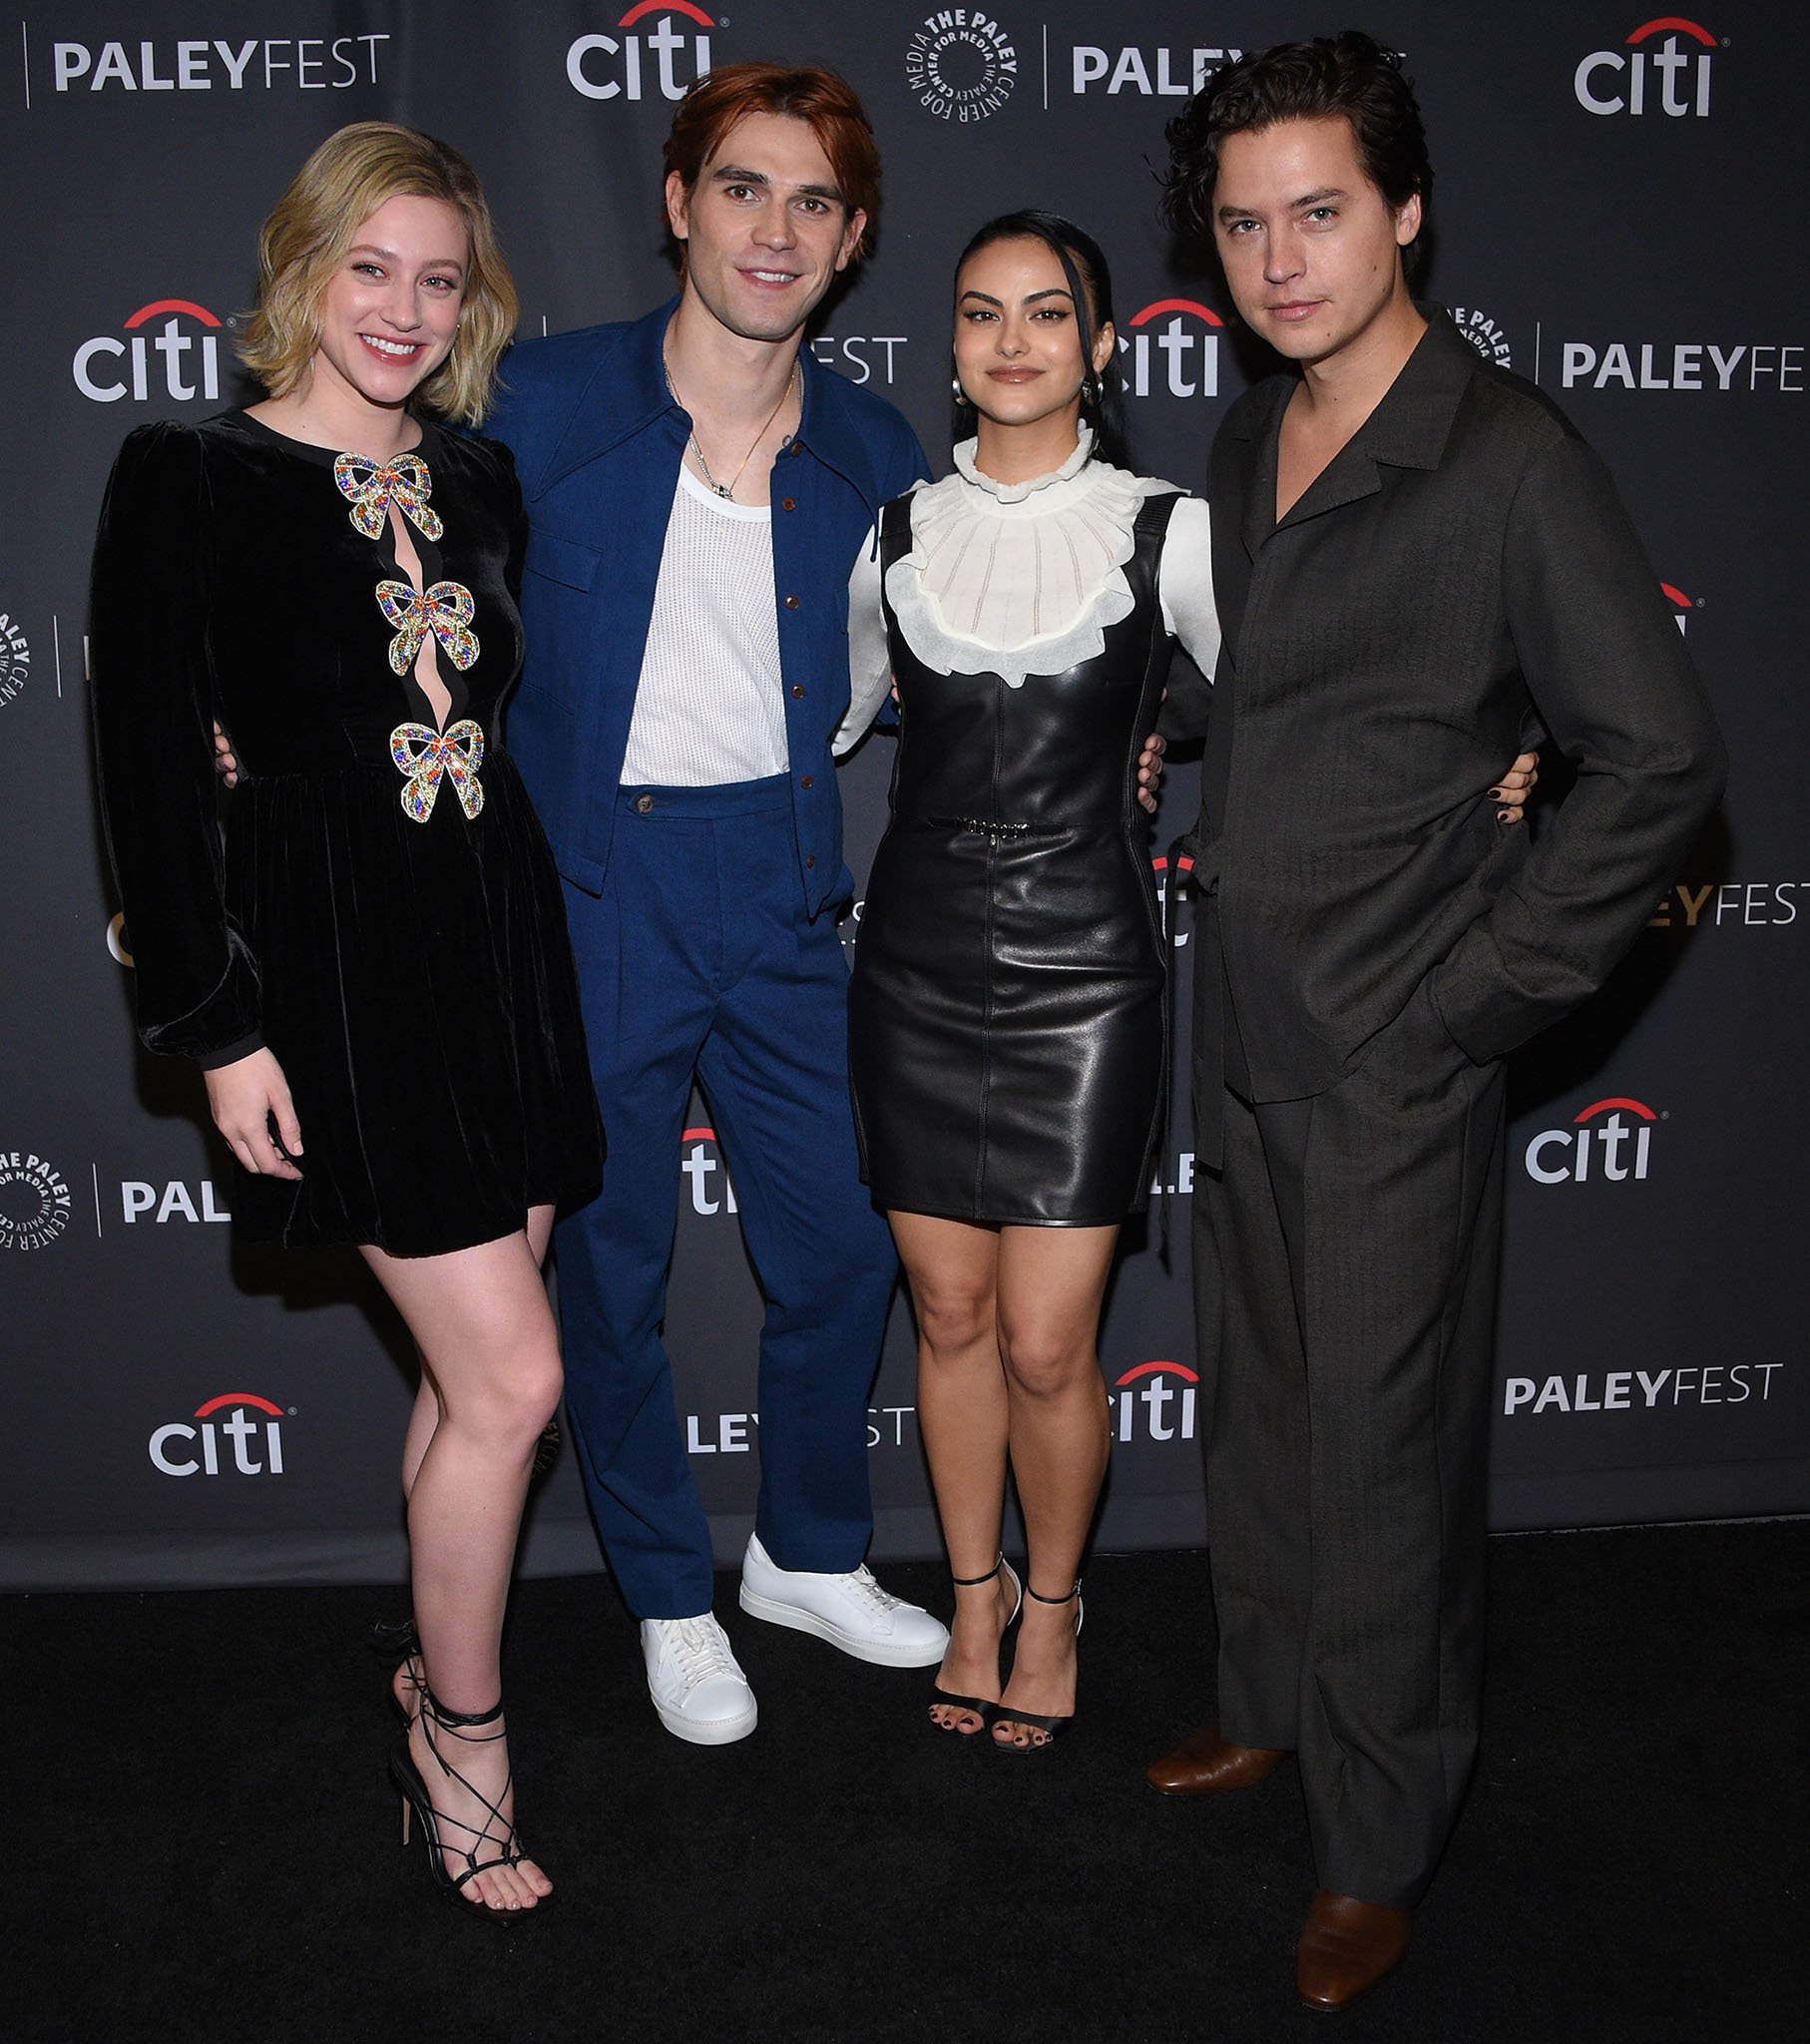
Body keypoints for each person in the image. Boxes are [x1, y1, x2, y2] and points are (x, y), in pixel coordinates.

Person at [1147, 34, 1725, 2009]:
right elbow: (1286, 685)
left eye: (1317, 211)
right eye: (1240, 222)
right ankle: (1270, 1705)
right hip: (1243, 1017)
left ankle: (1380, 1837)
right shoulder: (1244, 439)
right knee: (1267, 1406)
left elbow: (1655, 764)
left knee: (1384, 1451)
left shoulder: (1508, 459)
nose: (1278, 257)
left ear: (1404, 213)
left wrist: (1481, 992)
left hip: (1402, 1043)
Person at [839, 213, 1535, 1756]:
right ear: (946, 349)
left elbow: (1295, 695)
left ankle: (1057, 1600)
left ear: (1101, 345)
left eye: (1046, 313)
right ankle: (968, 1595)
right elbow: (841, 716)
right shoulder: (889, 535)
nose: (1009, 340)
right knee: (944, 1316)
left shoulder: (1169, 530)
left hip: (1088, 966)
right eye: (977, 314)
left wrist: (1497, 737)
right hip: (914, 964)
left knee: (1042, 1340)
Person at [92, 122, 602, 1922]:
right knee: (514, 1381)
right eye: (370, 267)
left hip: (499, 945)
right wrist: (215, 1025)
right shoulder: (188, 473)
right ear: (303, 268)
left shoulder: (478, 477)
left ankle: (426, 1681)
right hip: (333, 975)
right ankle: (462, 1742)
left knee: (479, 1390)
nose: (402, 308)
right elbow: (149, 773)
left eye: (438, 276)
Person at [480, 64, 958, 1744]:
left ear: (850, 243)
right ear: (679, 202)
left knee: (840, 1247)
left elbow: (958, 674)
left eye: (814, 201)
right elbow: (402, 608)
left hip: (784, 888)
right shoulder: (532, 405)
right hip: (593, 884)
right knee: (604, 1275)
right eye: (743, 188)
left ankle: (807, 1552)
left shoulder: (882, 447)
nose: (776, 227)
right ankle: (672, 1595)